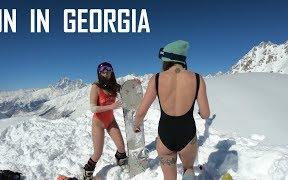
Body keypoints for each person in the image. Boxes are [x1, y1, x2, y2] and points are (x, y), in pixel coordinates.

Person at [134, 40, 210, 180]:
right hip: (188, 135)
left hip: (165, 136)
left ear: (167, 59)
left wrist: (136, 124)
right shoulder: (198, 79)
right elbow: (205, 114)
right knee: (188, 169)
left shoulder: (156, 79)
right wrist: (199, 112)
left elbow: (141, 112)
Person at [57, 62, 128, 180]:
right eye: (103, 72)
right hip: (98, 124)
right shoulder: (96, 87)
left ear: (112, 71)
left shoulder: (114, 85)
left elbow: (127, 90)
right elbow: (93, 108)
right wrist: (111, 106)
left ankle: (121, 166)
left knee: (121, 147)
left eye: (108, 71)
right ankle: (87, 172)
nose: (106, 74)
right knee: (98, 153)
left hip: (111, 121)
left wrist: (135, 84)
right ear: (99, 73)